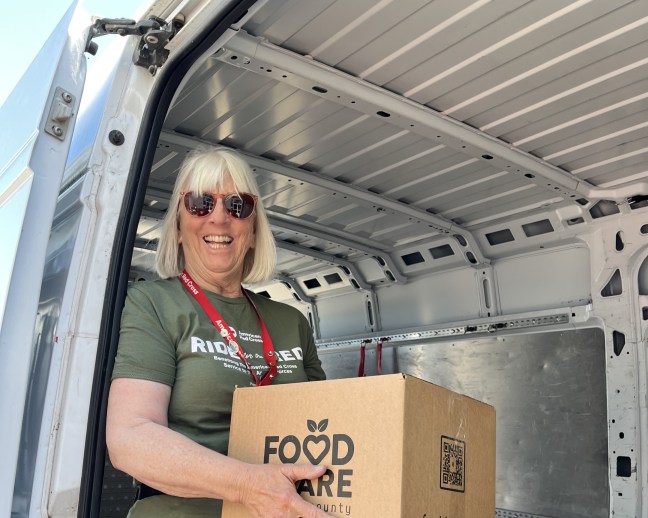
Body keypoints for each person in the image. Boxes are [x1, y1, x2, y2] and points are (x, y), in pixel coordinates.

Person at [106, 147, 331, 518]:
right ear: (178, 226)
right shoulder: (153, 304)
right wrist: (247, 485)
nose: (219, 218)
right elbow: (130, 437)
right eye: (200, 203)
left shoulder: (292, 322)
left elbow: (332, 427)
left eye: (238, 205)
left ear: (254, 231)